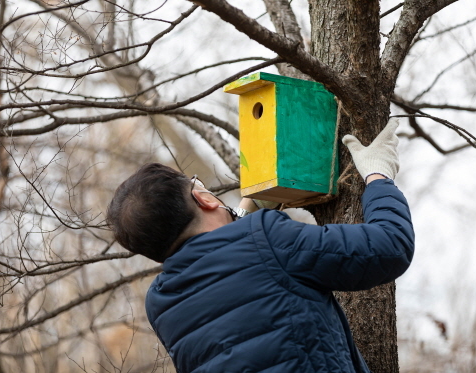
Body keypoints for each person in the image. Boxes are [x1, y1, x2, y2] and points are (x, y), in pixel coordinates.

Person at [106, 118, 414, 373]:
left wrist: (241, 214)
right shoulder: (264, 237)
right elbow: (390, 246)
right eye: (198, 184)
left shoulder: (161, 304)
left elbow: (229, 275)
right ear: (203, 197)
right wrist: (378, 175)